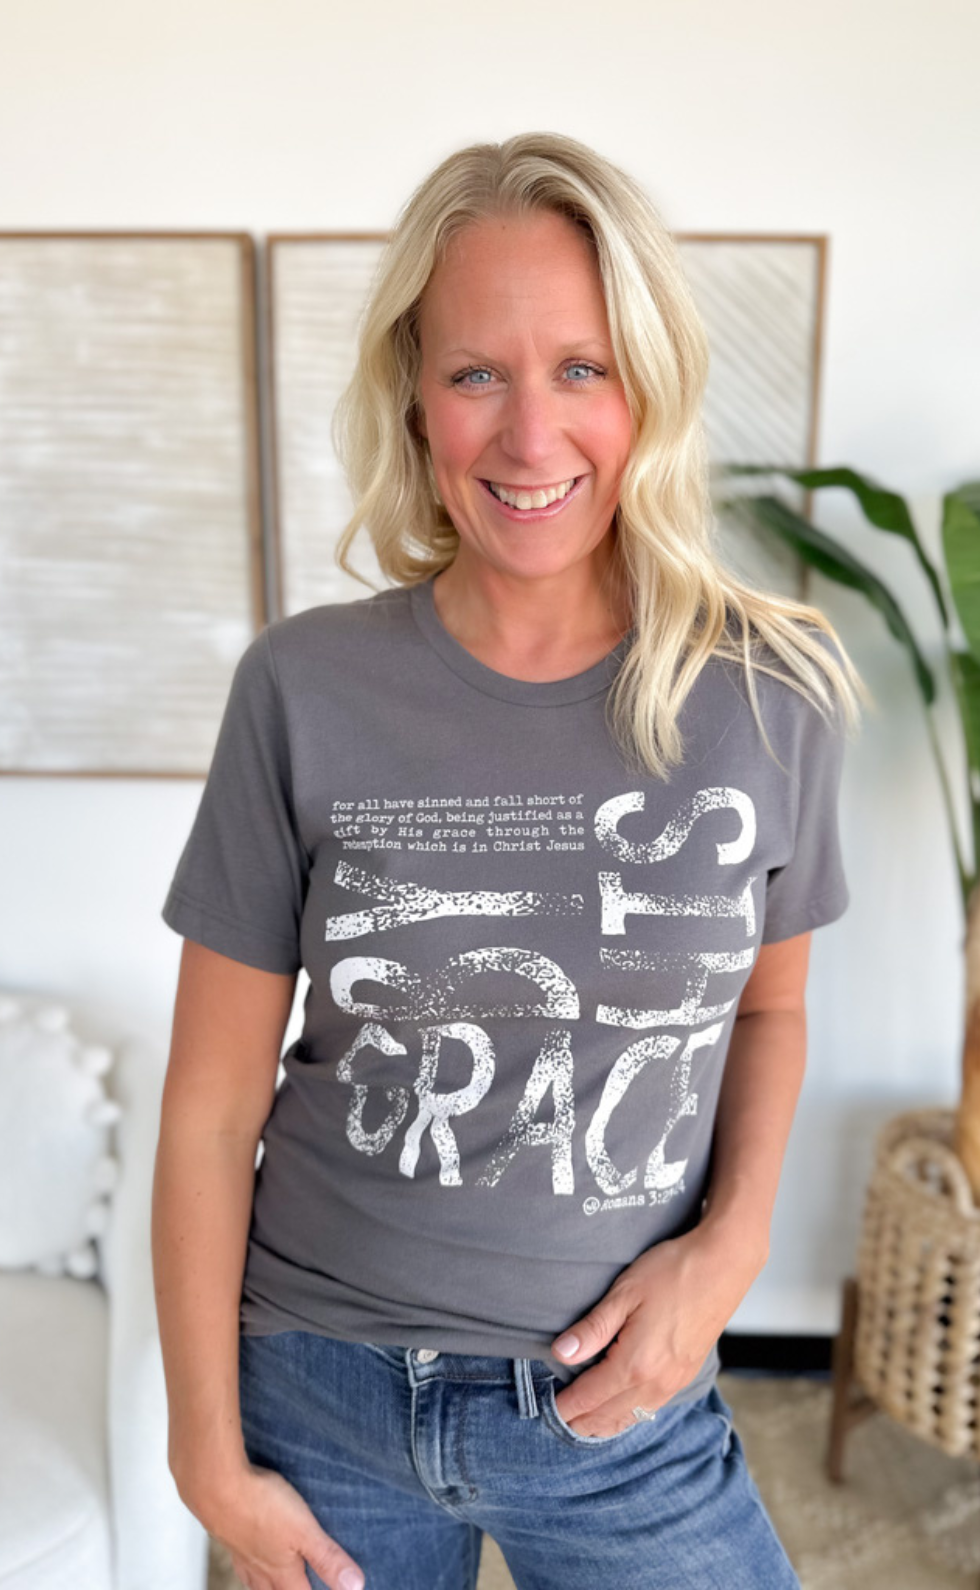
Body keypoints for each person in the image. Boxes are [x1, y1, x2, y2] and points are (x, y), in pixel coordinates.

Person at [152, 131, 867, 1590]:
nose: (531, 438)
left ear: (647, 386)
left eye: (581, 368)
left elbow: (772, 1008)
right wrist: (204, 1456)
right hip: (319, 1387)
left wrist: (732, 1250)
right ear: (417, 403)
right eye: (477, 372)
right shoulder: (302, 687)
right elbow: (213, 1109)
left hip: (619, 1409)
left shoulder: (770, 694)